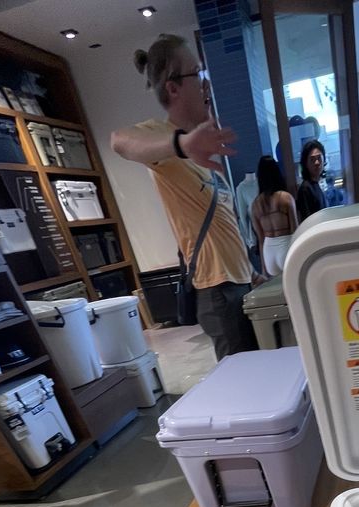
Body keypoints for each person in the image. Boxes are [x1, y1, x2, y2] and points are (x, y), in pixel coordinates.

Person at [110, 34, 264, 360]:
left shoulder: (202, 156)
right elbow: (119, 141)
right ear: (173, 87)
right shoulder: (165, 139)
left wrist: (251, 274)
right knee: (243, 378)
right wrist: (181, 144)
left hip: (236, 283)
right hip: (218, 291)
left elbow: (222, 227)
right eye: (198, 73)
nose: (206, 83)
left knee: (255, 371)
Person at [250, 155, 297, 278]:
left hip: (268, 252)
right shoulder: (286, 198)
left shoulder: (255, 205)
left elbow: (260, 239)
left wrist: (263, 268)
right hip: (286, 247)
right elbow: (295, 232)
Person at [296, 140, 327, 222]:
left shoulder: (316, 184)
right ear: (306, 164)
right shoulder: (305, 188)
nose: (317, 163)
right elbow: (307, 221)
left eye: (319, 158)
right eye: (312, 159)